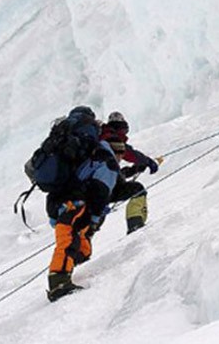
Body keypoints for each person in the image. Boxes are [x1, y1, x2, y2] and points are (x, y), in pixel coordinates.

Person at [44, 106, 119, 302]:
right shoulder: (99, 152)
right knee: (68, 239)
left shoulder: (64, 143)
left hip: (56, 199)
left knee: (80, 245)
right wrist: (94, 217)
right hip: (75, 200)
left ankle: (66, 267)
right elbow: (101, 188)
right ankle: (59, 282)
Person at [99, 111, 162, 234]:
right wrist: (147, 161)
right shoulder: (111, 138)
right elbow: (129, 153)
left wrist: (133, 170)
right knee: (138, 190)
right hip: (101, 188)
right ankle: (135, 226)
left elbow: (108, 170)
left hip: (87, 187)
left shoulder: (100, 137)